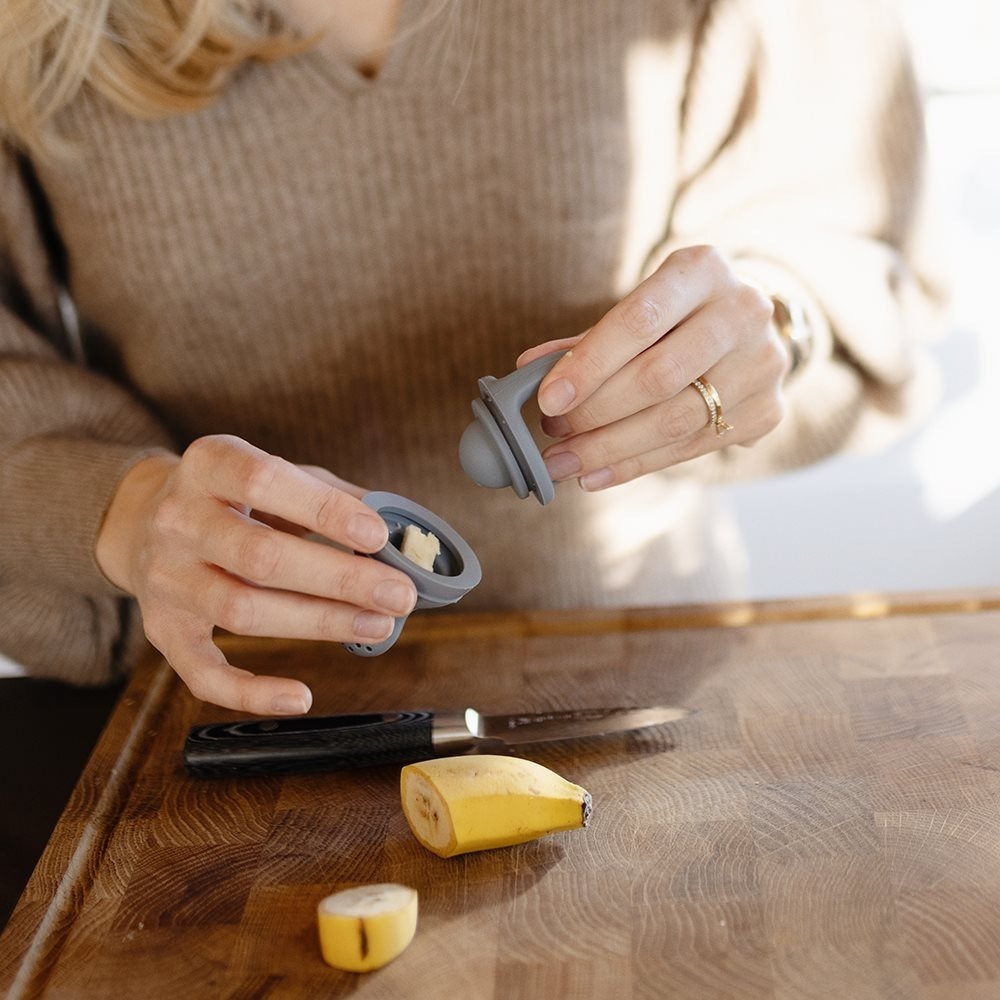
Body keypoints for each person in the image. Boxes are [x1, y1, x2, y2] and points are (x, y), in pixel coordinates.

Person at [0, 0, 942, 716]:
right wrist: (120, 512)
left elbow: (842, 239)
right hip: (234, 729)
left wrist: (770, 325)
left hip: (632, 697)